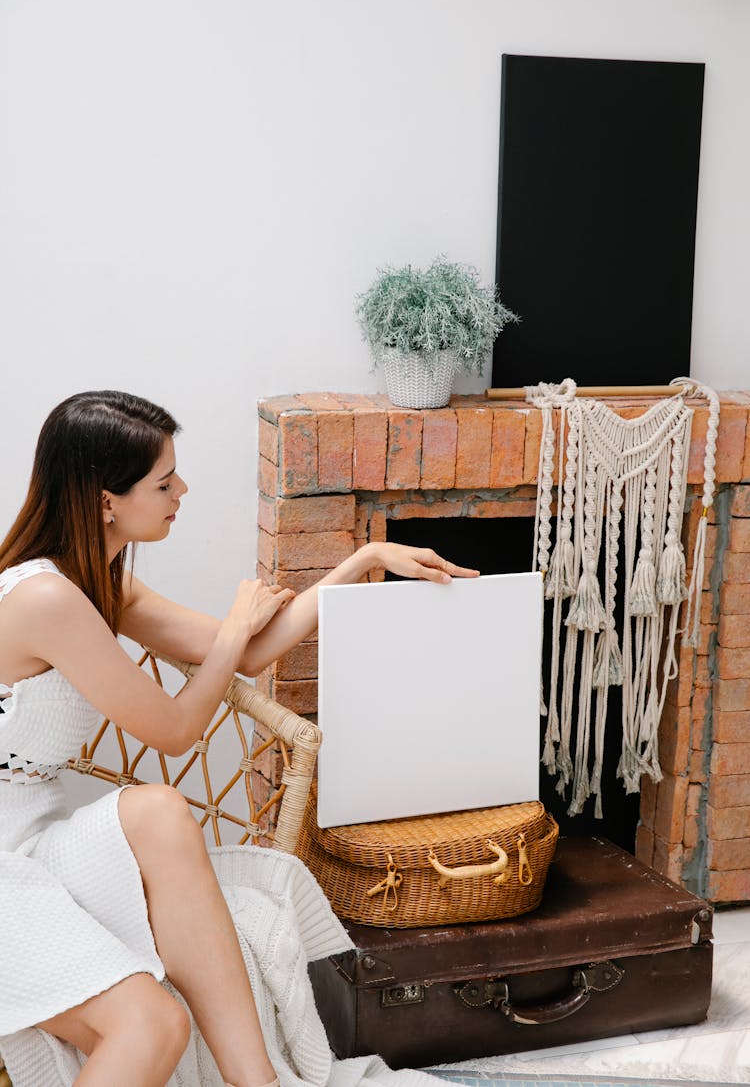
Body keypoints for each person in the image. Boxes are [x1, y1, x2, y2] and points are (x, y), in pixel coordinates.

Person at [0, 390, 478, 1087]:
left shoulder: (99, 583)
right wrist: (230, 627)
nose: (182, 491)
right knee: (154, 1024)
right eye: (164, 482)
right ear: (108, 500)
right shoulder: (45, 599)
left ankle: (257, 1082)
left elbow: (251, 652)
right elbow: (174, 729)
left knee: (160, 812)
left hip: (36, 837)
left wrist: (365, 559)